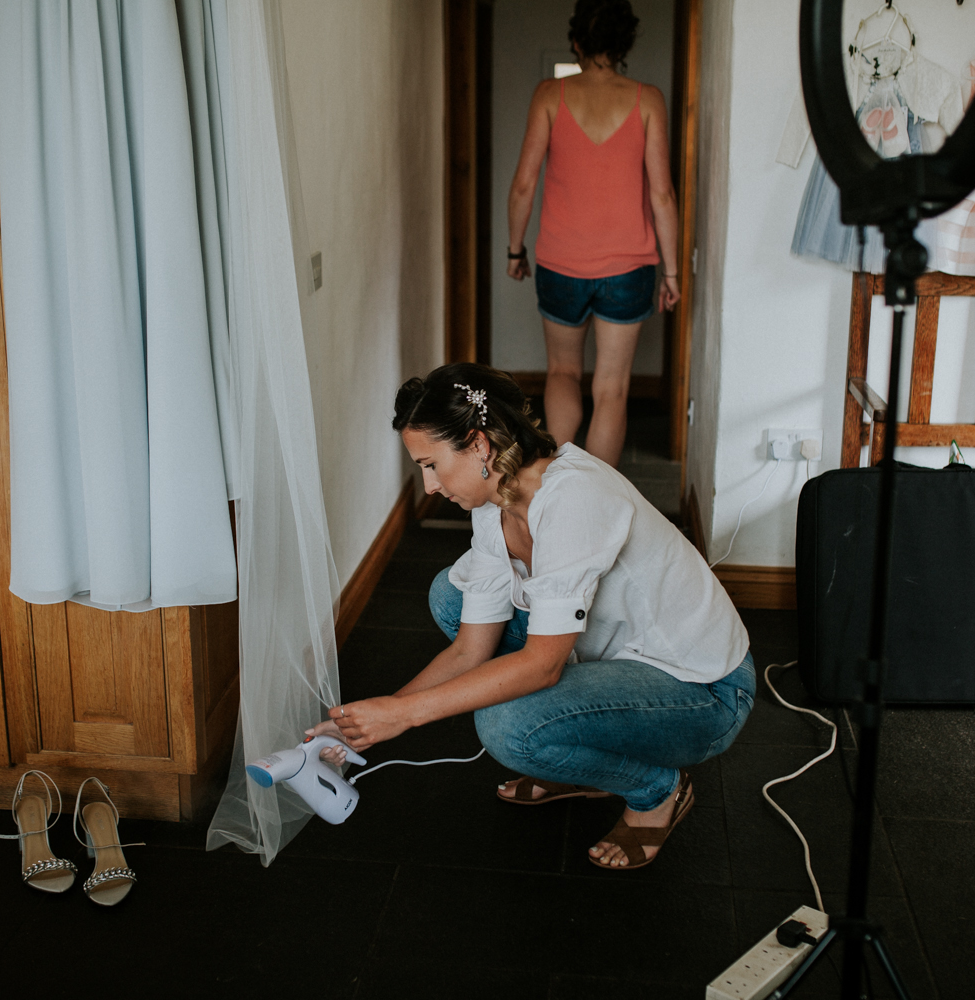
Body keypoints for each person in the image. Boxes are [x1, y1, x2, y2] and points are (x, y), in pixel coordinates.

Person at [308, 364, 753, 869]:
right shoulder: (493, 501)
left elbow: (542, 665)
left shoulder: (574, 497)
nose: (429, 486)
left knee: (507, 728)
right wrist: (366, 723)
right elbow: (469, 649)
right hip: (613, 656)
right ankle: (572, 752)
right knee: (450, 596)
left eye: (431, 465)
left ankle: (658, 791)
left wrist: (404, 716)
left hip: (703, 691)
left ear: (479, 446)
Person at [505, 0, 681, 469]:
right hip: (630, 269)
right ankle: (596, 499)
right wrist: (673, 272)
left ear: (577, 41)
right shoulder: (648, 100)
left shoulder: (549, 95)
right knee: (613, 388)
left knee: (562, 372)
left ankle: (552, 489)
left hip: (561, 264)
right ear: (624, 44)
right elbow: (663, 195)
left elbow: (523, 184)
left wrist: (515, 250)